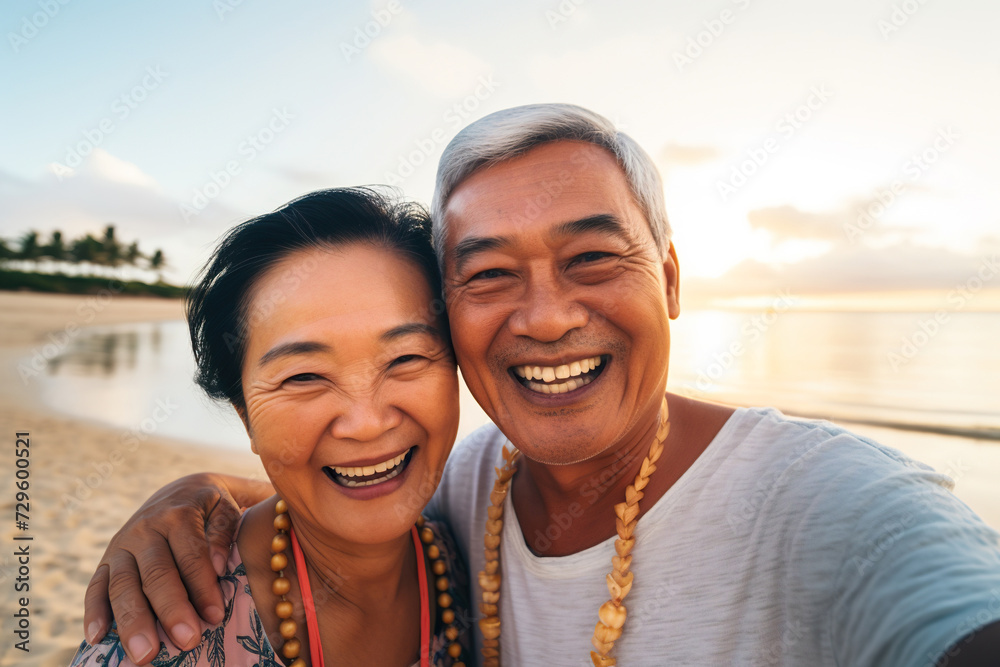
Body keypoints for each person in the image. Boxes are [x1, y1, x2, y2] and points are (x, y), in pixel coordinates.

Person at [85, 105, 1000, 666]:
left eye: (593, 256)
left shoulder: (830, 502)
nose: (549, 316)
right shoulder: (467, 486)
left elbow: (946, 601)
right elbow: (343, 493)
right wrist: (204, 496)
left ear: (673, 279)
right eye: (487, 274)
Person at [71, 188, 472, 666]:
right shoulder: (166, 641)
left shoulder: (466, 548)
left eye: (405, 358)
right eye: (303, 376)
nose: (366, 424)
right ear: (245, 417)